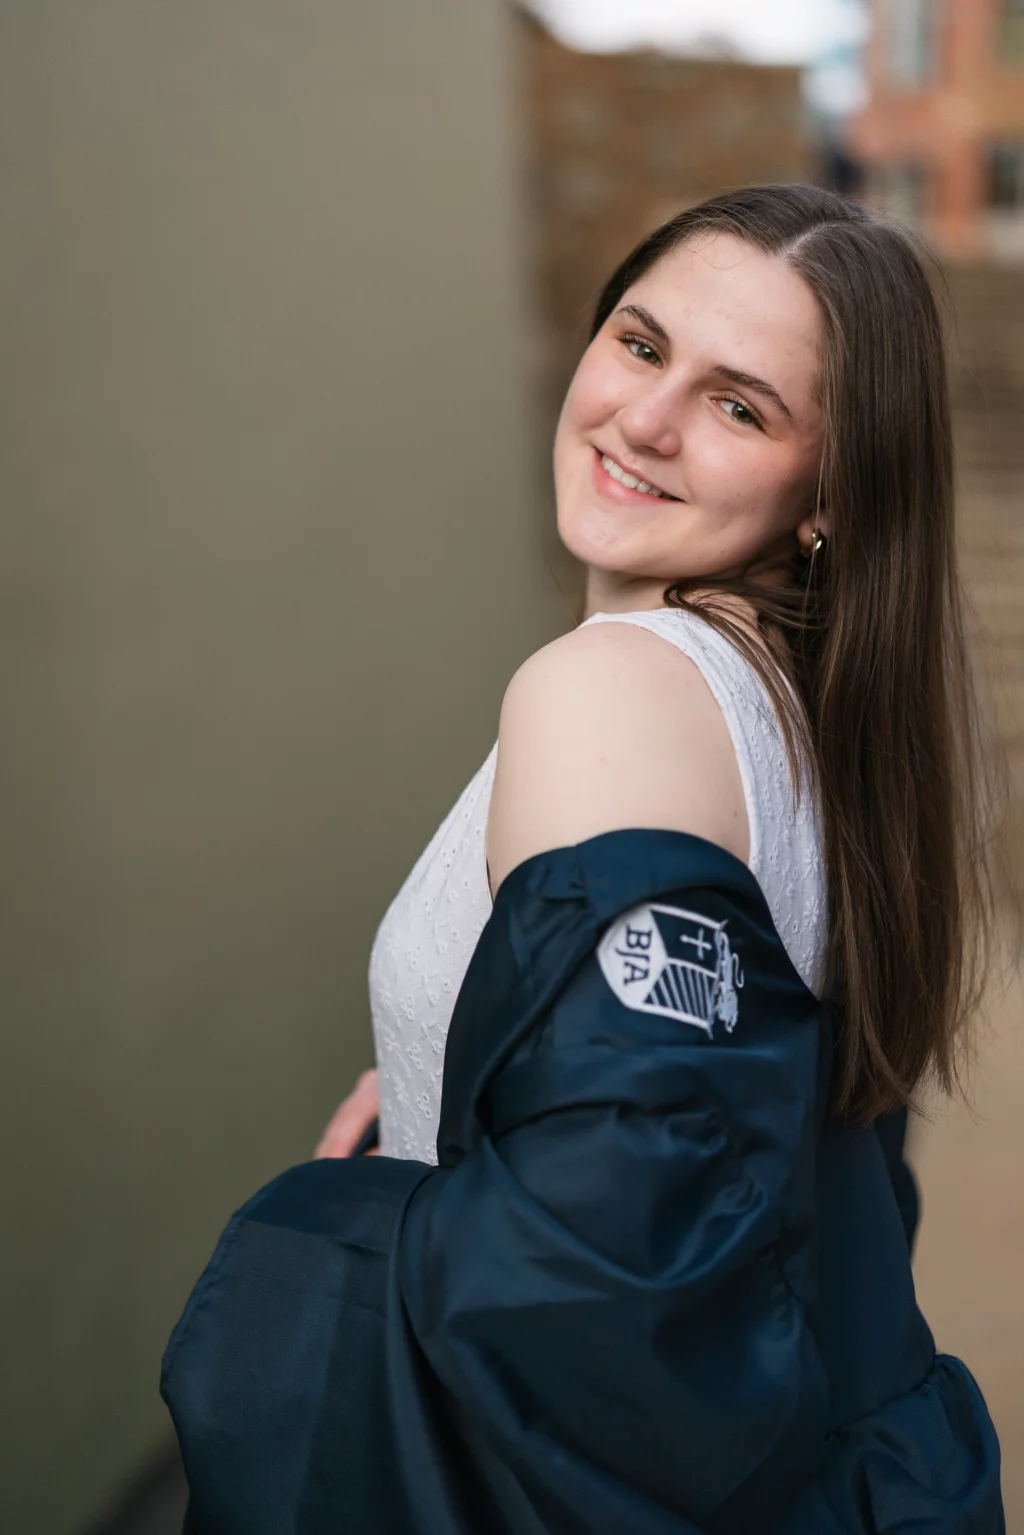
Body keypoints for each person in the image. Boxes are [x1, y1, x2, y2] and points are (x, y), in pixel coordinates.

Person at [163, 185, 1004, 1532]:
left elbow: (608, 1271)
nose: (646, 420)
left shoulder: (615, 688)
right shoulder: (809, 716)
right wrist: (461, 1071)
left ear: (826, 497)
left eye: (742, 406)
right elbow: (734, 1124)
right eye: (640, 341)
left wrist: (352, 1221)